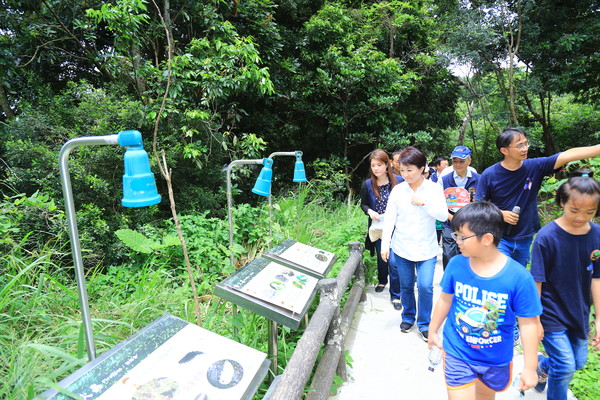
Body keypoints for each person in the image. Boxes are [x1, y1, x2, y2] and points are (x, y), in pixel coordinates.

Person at [428, 201, 542, 400]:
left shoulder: (519, 278)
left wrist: (531, 368)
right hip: (458, 351)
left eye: (462, 237)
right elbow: (445, 300)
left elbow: (529, 324)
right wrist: (432, 329)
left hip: (495, 359)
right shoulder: (456, 265)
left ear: (487, 238)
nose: (457, 241)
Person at [475, 127, 600, 266]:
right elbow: (477, 206)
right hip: (499, 236)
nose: (525, 148)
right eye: (519, 145)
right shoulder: (489, 174)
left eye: (525, 143)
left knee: (519, 275)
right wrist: (499, 214)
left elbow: (567, 155)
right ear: (504, 150)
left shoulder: (535, 166)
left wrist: (597, 148)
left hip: (526, 235)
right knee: (501, 272)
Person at [529, 173, 600, 399]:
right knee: (566, 366)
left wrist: (598, 317)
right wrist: (535, 320)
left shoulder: (597, 235)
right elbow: (537, 280)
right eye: (574, 210)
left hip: (579, 311)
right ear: (562, 202)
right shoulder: (546, 237)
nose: (581, 217)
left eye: (590, 212)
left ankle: (543, 367)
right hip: (551, 312)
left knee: (577, 362)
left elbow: (597, 278)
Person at [381, 146, 447, 341]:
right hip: (402, 247)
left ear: (422, 168)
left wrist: (424, 203)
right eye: (402, 170)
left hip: (426, 248)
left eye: (410, 170)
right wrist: (385, 245)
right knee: (407, 285)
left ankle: (425, 323)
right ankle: (408, 316)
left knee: (426, 286)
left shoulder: (434, 189)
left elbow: (444, 215)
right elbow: (390, 219)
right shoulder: (398, 191)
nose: (405, 174)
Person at [360, 149, 403, 310]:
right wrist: (370, 211)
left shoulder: (398, 182)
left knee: (394, 260)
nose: (376, 169)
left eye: (379, 165)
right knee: (381, 256)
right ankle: (382, 279)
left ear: (387, 165)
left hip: (396, 226)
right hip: (378, 227)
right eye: (373, 166)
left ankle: (396, 295)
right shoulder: (368, 184)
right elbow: (363, 203)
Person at [441, 146, 480, 269]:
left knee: (469, 254)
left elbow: (483, 202)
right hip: (449, 223)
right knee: (449, 254)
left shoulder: (478, 179)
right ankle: (449, 281)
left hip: (472, 224)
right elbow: (438, 201)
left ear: (469, 161)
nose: (458, 164)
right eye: (455, 161)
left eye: (461, 161)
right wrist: (449, 217)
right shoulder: (444, 180)